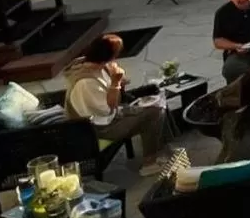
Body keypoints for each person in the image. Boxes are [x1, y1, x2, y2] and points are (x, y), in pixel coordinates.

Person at [63, 34, 171, 175]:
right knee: (155, 112)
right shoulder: (85, 83)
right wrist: (115, 83)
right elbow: (107, 110)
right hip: (98, 129)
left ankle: (161, 149)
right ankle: (149, 163)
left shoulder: (97, 65)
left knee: (157, 100)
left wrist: (119, 79)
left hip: (111, 116)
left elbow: (121, 86)